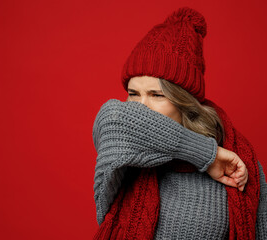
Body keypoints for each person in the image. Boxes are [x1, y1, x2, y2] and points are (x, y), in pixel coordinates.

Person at [92, 7, 267, 239]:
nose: (139, 106)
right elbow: (115, 118)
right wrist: (208, 155)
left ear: (184, 102)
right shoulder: (125, 152)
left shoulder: (239, 165)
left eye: (157, 94)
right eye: (133, 93)